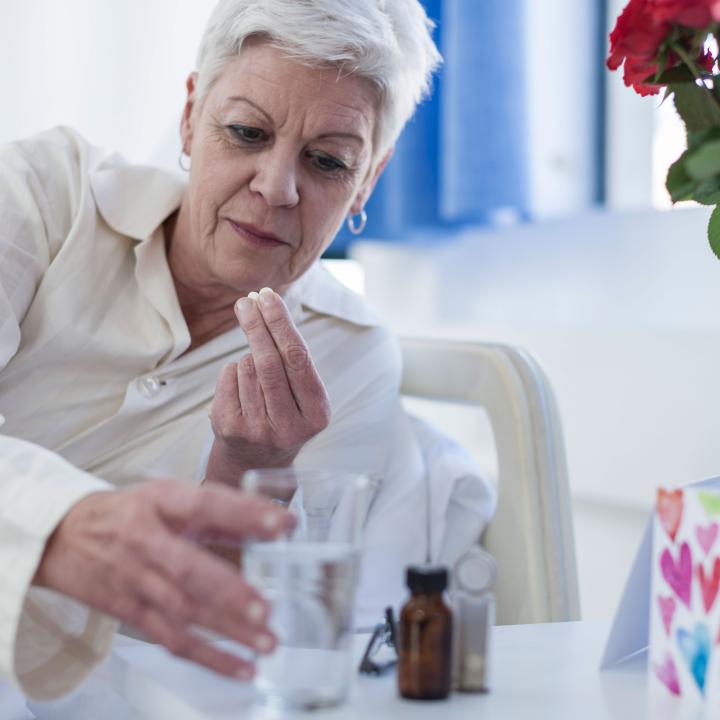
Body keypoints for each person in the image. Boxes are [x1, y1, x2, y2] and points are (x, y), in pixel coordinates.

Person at [0, 0, 443, 702]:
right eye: (245, 132)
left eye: (328, 161)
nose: (277, 187)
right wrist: (58, 527)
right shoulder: (43, 191)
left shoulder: (346, 358)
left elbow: (245, 651)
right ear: (189, 117)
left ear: (368, 181)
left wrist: (246, 471)